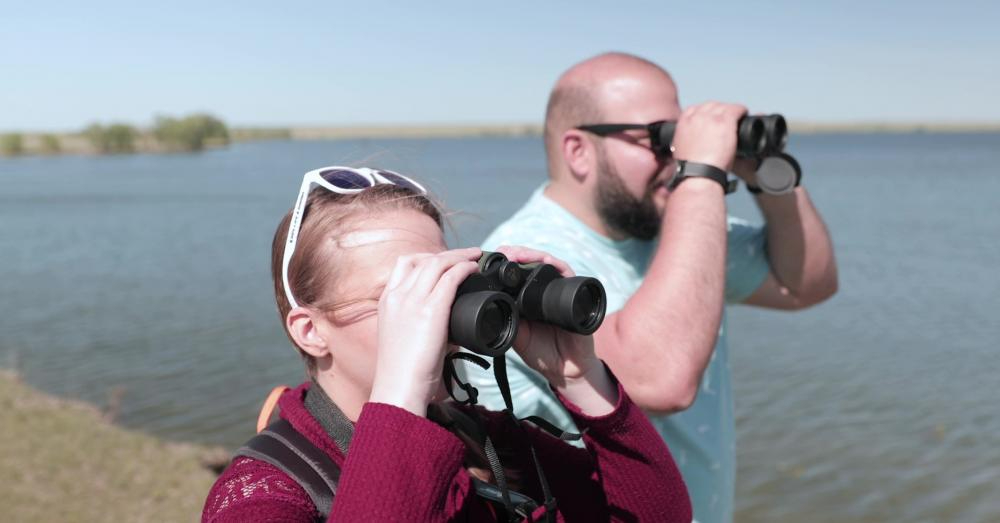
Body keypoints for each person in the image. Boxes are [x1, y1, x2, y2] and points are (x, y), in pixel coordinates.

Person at [201, 166, 692, 522]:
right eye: (403, 295)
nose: (434, 314)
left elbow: (654, 514)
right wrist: (402, 394)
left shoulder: (479, 437)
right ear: (311, 330)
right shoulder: (263, 493)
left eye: (445, 286)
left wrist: (580, 377)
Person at [468, 52, 839, 523]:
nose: (676, 158)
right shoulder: (526, 263)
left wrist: (769, 173)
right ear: (578, 150)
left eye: (683, 138)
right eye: (660, 139)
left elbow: (807, 285)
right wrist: (702, 173)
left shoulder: (674, 230)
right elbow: (663, 380)